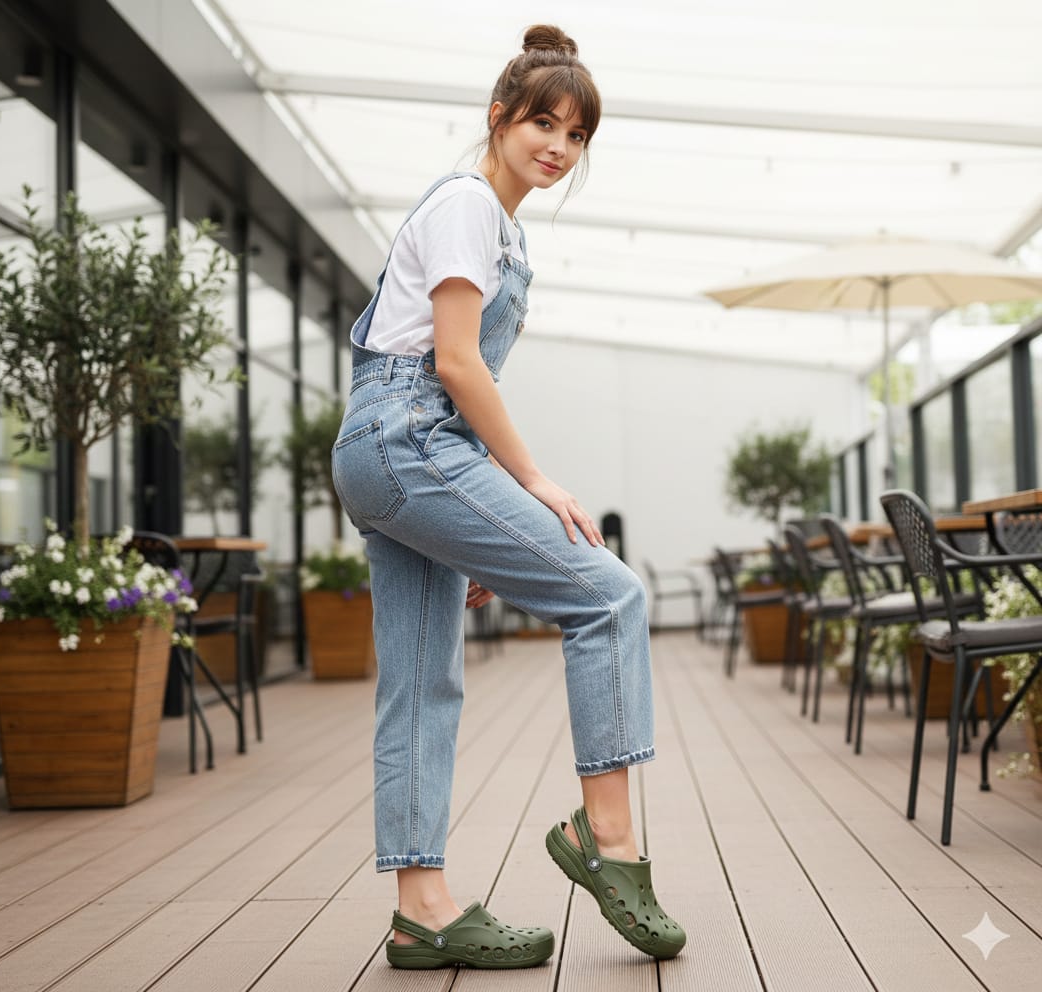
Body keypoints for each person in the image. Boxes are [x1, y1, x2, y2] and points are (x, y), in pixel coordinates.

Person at [331, 24, 686, 969]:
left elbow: (443, 370)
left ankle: (424, 911)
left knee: (420, 682)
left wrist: (469, 523)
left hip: (388, 449)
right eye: (543, 124)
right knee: (610, 594)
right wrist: (525, 479)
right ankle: (608, 841)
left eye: (576, 137)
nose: (558, 149)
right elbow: (452, 363)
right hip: (410, 437)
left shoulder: (499, 224)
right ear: (498, 118)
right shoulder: (465, 205)